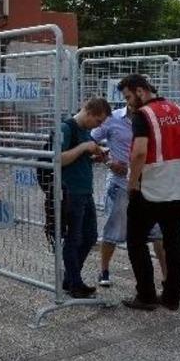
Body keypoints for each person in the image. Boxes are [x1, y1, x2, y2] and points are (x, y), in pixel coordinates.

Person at [119, 75, 180, 312]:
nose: (128, 103)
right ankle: (172, 297)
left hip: (150, 189)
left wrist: (132, 183)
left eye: (128, 97)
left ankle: (146, 295)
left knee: (135, 241)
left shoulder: (143, 115)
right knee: (174, 243)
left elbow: (139, 153)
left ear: (141, 91)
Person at [90, 104, 166, 287]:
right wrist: (108, 160)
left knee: (158, 232)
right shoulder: (113, 119)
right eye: (129, 97)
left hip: (149, 184)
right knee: (113, 227)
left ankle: (167, 275)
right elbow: (89, 139)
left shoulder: (153, 119)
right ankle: (104, 270)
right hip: (120, 183)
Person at [60, 97, 110, 298]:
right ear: (88, 112)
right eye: (97, 121)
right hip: (71, 191)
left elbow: (78, 157)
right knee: (73, 238)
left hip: (84, 190)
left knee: (89, 236)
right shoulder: (66, 128)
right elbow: (58, 159)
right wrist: (83, 148)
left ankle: (71, 278)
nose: (98, 126)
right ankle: (74, 283)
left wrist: (94, 156)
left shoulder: (85, 131)